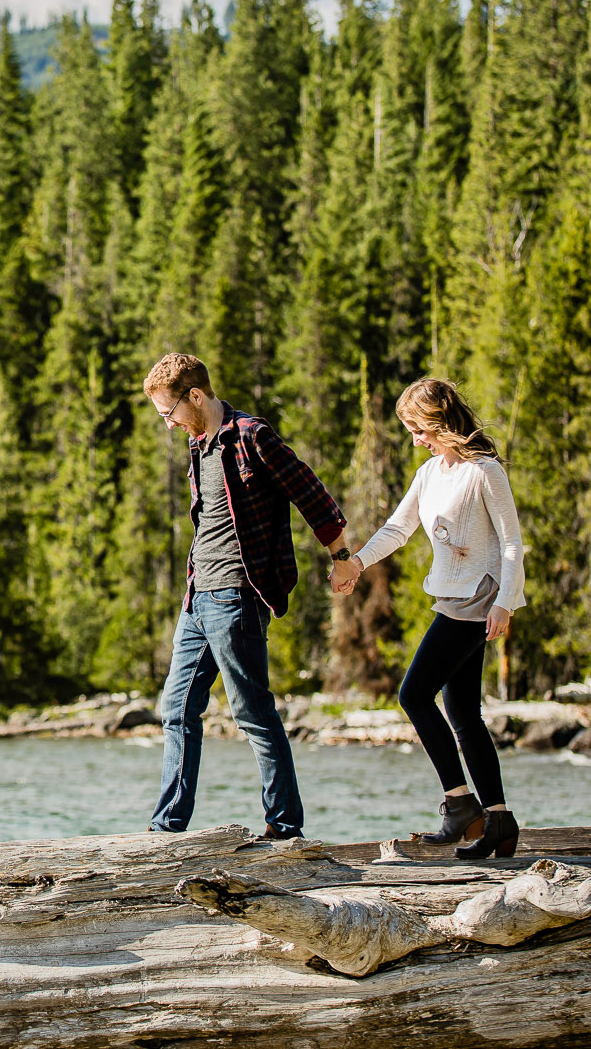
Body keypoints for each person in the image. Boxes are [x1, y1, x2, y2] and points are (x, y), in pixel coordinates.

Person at [142, 353, 355, 839]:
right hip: (198, 597)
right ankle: (165, 831)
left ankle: (284, 829)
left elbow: (309, 490)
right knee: (176, 710)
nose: (168, 424)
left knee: (253, 713)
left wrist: (341, 554)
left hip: (238, 594)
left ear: (195, 396)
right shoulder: (200, 445)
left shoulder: (251, 436)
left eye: (168, 413)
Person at [336, 377, 525, 859]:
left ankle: (459, 804)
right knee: (462, 713)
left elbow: (510, 542)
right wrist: (357, 562)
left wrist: (506, 600)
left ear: (438, 421)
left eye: (416, 428)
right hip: (450, 596)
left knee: (414, 694)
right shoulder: (430, 473)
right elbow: (399, 528)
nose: (414, 438)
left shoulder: (484, 471)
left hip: (477, 598)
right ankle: (499, 820)